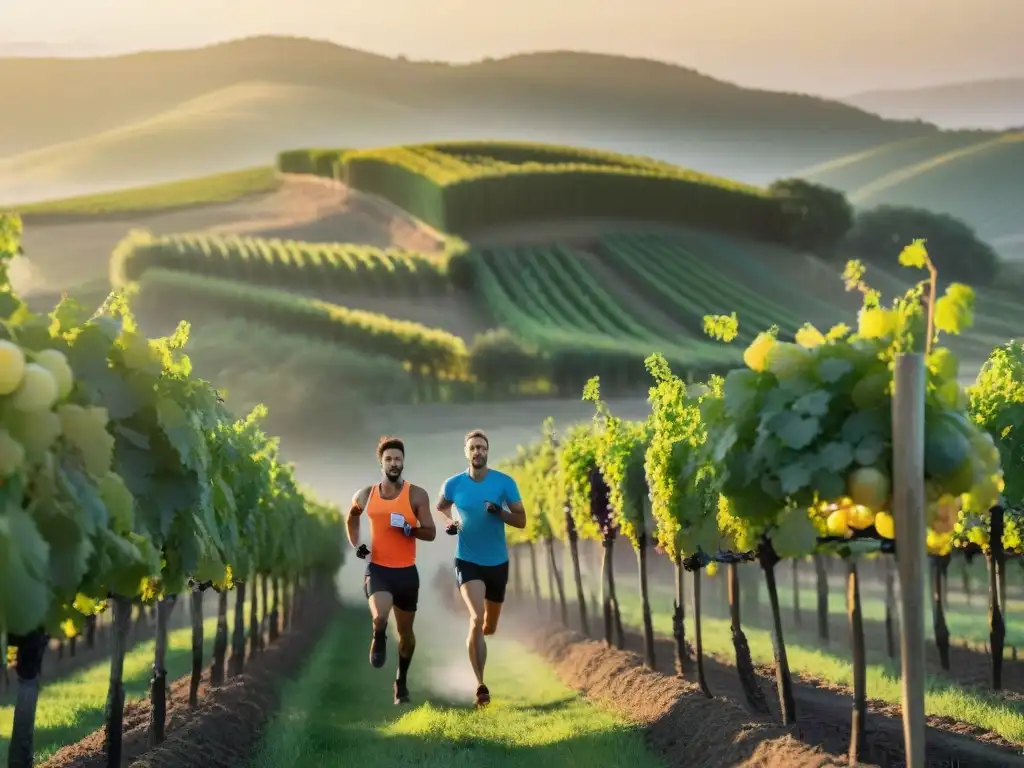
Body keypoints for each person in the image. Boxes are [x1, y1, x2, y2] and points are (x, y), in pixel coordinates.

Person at [437, 429, 526, 707]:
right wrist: (450, 522)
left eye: (482, 448)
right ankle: (481, 686)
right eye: (473, 448)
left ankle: (481, 634)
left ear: (488, 452)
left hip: (497, 562)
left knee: (489, 626)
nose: (478, 452)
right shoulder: (453, 484)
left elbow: (522, 521)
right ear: (467, 452)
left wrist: (499, 513)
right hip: (467, 560)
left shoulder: (504, 483)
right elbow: (441, 507)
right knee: (476, 618)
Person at [347, 436, 435, 705]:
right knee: (380, 617)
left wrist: (412, 529)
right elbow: (351, 517)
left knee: (406, 635)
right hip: (379, 570)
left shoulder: (417, 494)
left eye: (398, 459)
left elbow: (430, 532)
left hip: (407, 574)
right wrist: (357, 545)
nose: (394, 463)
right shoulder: (366, 494)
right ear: (381, 463)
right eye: (388, 459)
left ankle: (401, 682)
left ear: (403, 461)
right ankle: (378, 634)